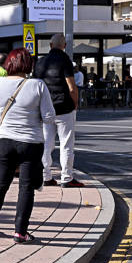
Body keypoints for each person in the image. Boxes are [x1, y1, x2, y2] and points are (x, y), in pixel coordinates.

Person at [0, 48, 54, 244]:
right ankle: (20, 232)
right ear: (29, 64)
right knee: (26, 187)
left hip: (5, 140)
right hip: (30, 142)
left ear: (9, 64)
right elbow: (49, 117)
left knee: (0, 183)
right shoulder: (37, 85)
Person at [34, 34, 82, 188]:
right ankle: (67, 178)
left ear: (50, 45)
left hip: (45, 110)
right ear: (65, 45)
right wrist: (75, 104)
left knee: (46, 145)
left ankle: (45, 177)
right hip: (64, 108)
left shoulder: (40, 63)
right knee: (66, 144)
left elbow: (35, 87)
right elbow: (71, 87)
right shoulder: (65, 60)